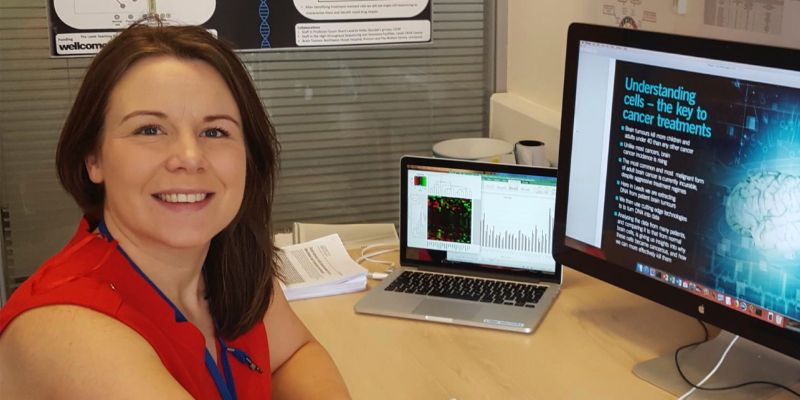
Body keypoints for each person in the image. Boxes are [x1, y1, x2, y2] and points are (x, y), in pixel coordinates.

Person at [0, 20, 350, 399]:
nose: (189, 157)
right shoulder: (69, 331)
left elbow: (293, 354)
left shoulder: (230, 262)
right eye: (149, 130)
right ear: (93, 158)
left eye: (215, 131)